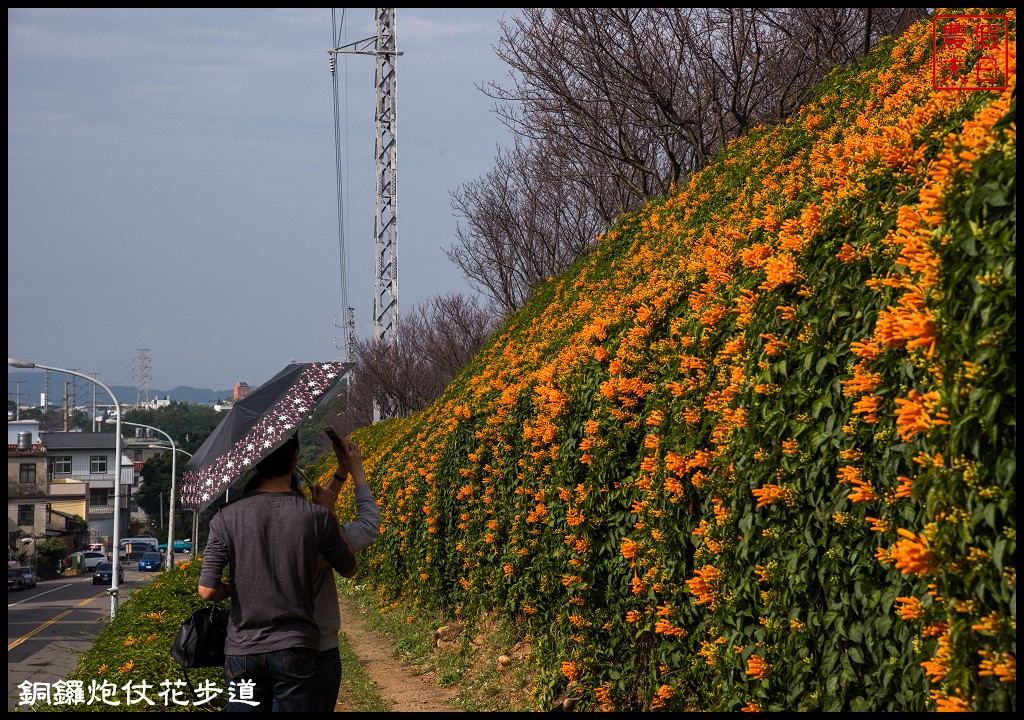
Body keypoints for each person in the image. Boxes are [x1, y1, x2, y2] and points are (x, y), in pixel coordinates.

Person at [198, 432, 357, 712]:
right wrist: (328, 511)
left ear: (255, 462)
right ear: (295, 458)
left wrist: (234, 588)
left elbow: (207, 589)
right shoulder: (315, 516)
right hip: (296, 645)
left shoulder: (226, 516)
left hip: (242, 649)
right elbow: (349, 568)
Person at [307, 434, 380, 712]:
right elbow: (367, 528)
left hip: (258, 647)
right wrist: (357, 472)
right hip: (315, 648)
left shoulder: (246, 526)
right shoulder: (310, 538)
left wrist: (340, 475)